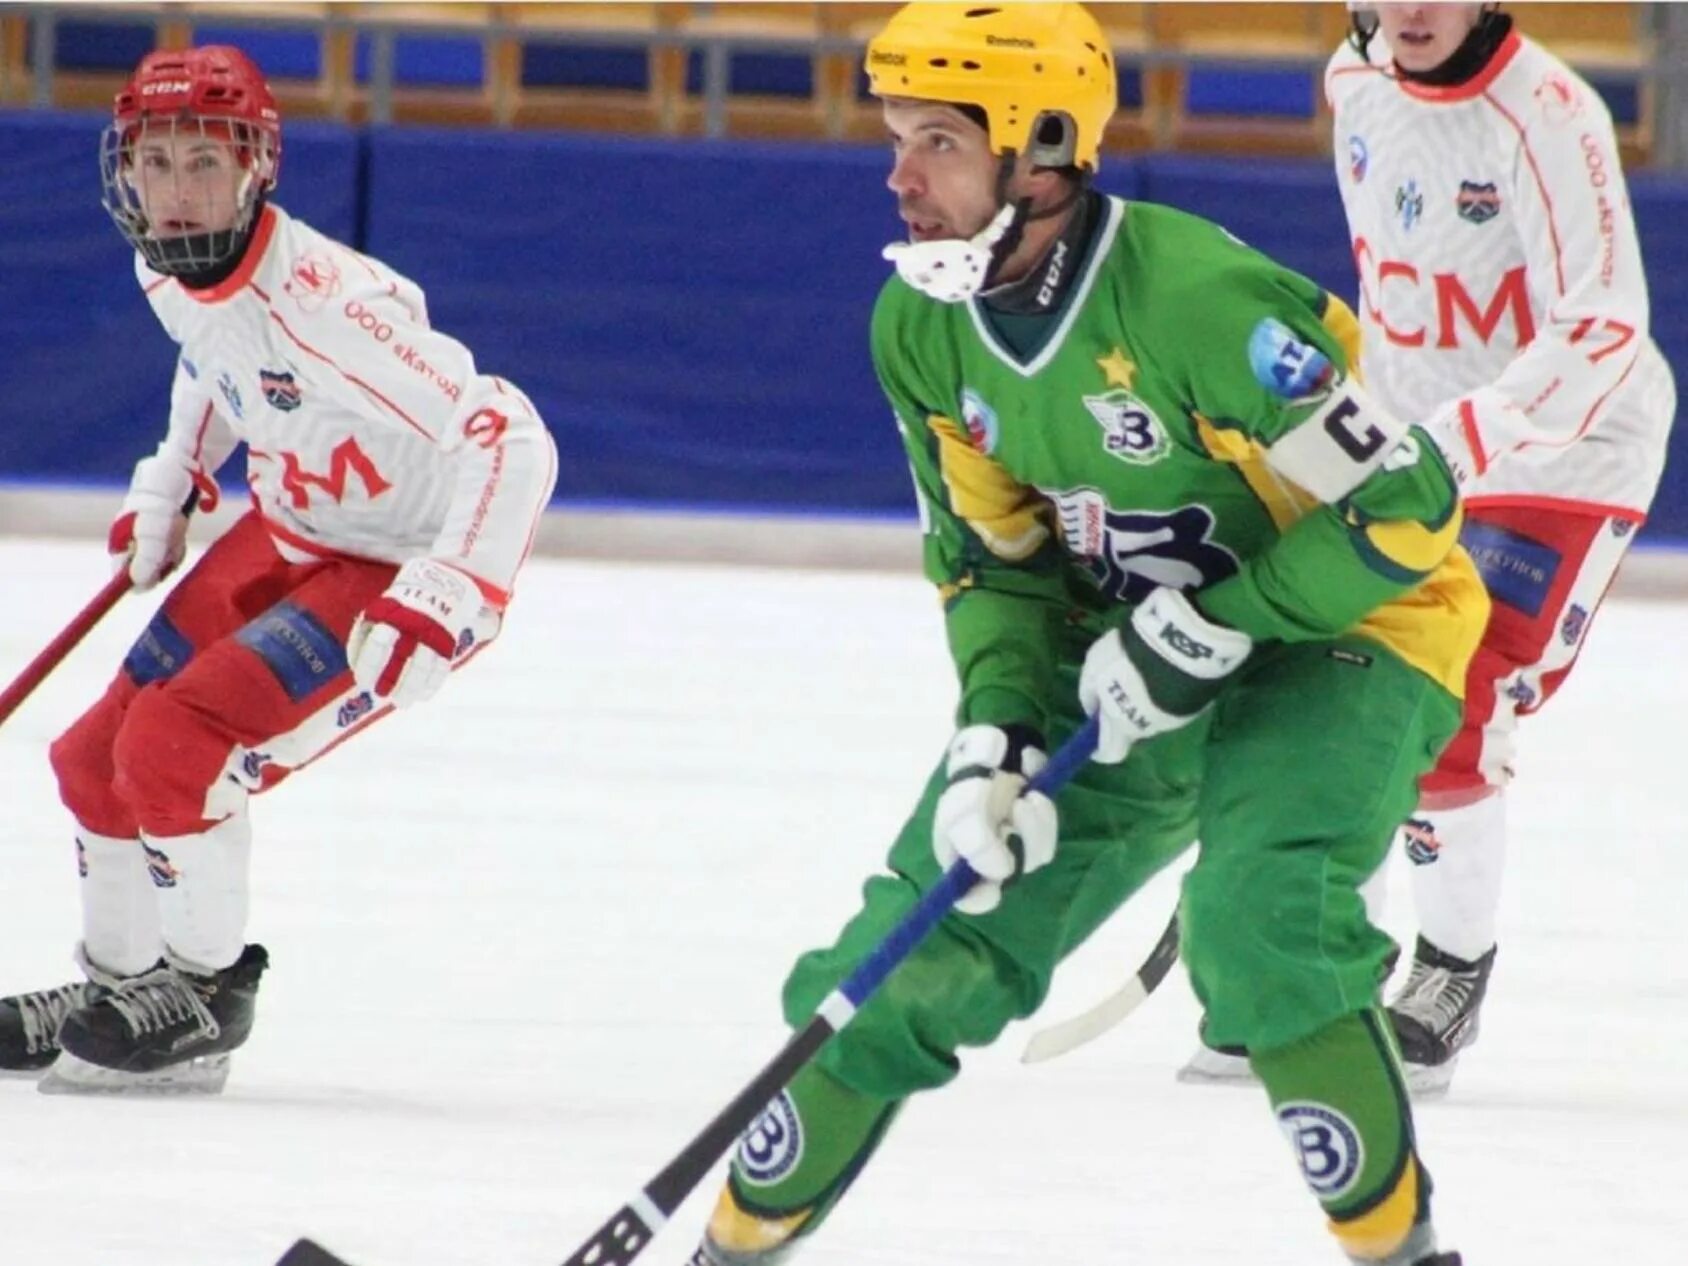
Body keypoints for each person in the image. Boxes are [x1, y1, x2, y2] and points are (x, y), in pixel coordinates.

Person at [686, 5, 1486, 1264]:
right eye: (896, 139)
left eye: (939, 143)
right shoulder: (921, 329)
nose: (898, 177)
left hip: (1350, 629)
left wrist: (1215, 625)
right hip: (1129, 658)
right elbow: (989, 565)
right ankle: (727, 1252)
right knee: (907, 952)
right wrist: (994, 734)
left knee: (1258, 925)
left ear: (1044, 147)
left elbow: (1408, 514)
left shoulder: (1199, 303)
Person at [0, 45, 557, 1093]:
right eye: (155, 166)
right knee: (89, 758)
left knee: (174, 744)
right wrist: (172, 477)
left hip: (387, 566)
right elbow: (214, 355)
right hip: (288, 528)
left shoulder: (332, 310)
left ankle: (204, 994)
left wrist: (455, 587)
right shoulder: (165, 264)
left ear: (258, 169)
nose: (174, 195)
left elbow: (510, 433)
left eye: (202, 164)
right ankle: (117, 980)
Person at [1186, 2, 1676, 1096]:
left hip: (1564, 447)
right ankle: (1309, 957)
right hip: (1411, 447)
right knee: (1318, 677)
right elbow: (1399, 288)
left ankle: (1450, 971)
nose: (1410, 7)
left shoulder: (1548, 113)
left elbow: (1599, 327)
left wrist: (1457, 440)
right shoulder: (1348, 83)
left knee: (1453, 689)